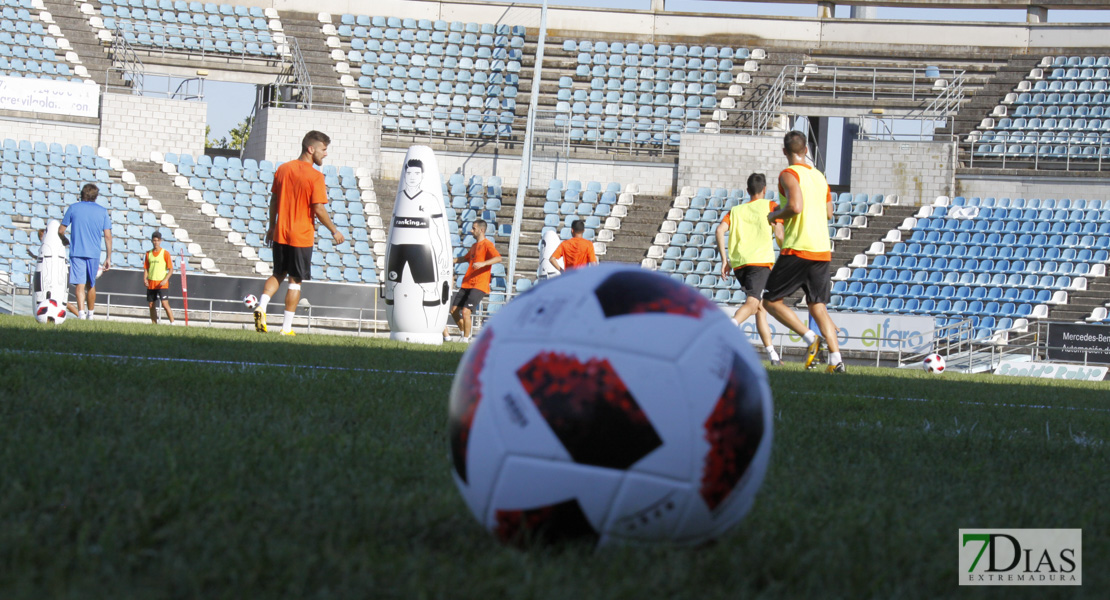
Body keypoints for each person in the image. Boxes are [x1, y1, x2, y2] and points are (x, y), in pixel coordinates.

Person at [762, 130, 845, 373]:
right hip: (822, 249)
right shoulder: (820, 177)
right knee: (818, 305)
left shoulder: (788, 174)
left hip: (799, 247)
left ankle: (810, 338)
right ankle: (836, 360)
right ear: (806, 150)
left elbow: (795, 207)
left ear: (784, 151)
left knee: (770, 301)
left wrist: (775, 215)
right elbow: (829, 212)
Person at [253, 130, 345, 336]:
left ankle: (262, 306)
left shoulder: (283, 169)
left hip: (280, 233)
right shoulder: (315, 176)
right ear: (311, 149)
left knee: (278, 273)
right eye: (323, 149)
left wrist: (271, 226)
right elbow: (318, 208)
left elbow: (274, 200)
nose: (325, 154)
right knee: (295, 281)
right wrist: (334, 231)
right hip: (301, 235)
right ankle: (286, 329)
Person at [716, 173, 785, 366]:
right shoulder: (770, 206)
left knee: (760, 308)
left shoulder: (735, 210)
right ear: (765, 190)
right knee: (753, 303)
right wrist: (785, 249)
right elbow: (779, 233)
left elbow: (720, 230)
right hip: (760, 262)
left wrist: (724, 260)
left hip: (739, 265)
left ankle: (772, 355)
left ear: (747, 191)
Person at [58, 183, 111, 320]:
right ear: (96, 196)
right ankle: (91, 315)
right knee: (91, 284)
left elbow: (61, 230)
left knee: (80, 285)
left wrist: (64, 240)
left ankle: (81, 314)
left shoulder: (74, 208)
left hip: (77, 252)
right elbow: (107, 236)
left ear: (82, 194)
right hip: (93, 253)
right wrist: (108, 257)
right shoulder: (102, 211)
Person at [444, 219, 501, 343]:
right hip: (467, 283)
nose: (471, 231)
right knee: (453, 311)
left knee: (465, 311)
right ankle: (465, 332)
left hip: (479, 284)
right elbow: (464, 258)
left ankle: (465, 340)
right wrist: (448, 259)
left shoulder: (487, 244)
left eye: (473, 228)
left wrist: (483, 263)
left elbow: (498, 258)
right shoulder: (474, 246)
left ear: (481, 230)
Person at [143, 231, 175, 325]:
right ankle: (154, 324)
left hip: (162, 283)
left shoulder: (165, 253)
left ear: (160, 241)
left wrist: (165, 279)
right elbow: (146, 268)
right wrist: (145, 279)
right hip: (151, 283)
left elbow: (171, 269)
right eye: (154, 240)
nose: (155, 242)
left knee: (165, 304)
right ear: (152, 241)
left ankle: (172, 323)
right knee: (151, 305)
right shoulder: (148, 254)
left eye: (157, 240)